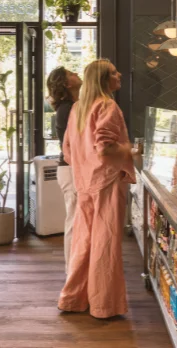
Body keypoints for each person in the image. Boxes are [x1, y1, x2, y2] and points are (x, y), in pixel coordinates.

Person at [58, 59, 134, 319]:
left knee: (84, 240)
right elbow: (105, 147)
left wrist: (85, 167)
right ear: (103, 80)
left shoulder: (78, 107)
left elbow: (67, 151)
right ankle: (105, 305)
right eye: (113, 72)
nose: (119, 74)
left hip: (84, 182)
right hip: (106, 182)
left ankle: (73, 298)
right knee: (105, 243)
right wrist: (132, 151)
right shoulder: (107, 105)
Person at [46, 66, 83, 274]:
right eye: (71, 73)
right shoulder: (68, 109)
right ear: (67, 84)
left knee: (76, 221)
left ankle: (76, 272)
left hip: (72, 168)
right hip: (70, 169)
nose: (76, 73)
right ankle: (71, 273)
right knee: (74, 222)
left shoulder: (73, 106)